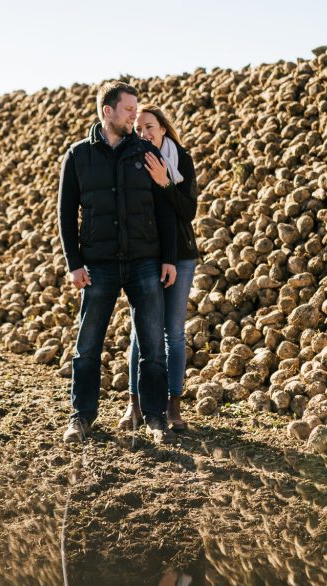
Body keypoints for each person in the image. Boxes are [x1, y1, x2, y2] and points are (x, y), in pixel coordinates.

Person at [58, 82, 178, 445]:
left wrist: (169, 258)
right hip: (99, 265)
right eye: (129, 109)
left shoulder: (146, 152)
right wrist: (74, 262)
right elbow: (65, 213)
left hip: (145, 261)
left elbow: (165, 208)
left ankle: (155, 419)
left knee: (153, 345)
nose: (134, 115)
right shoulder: (78, 156)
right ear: (107, 111)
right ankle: (82, 418)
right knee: (88, 346)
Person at [118, 105, 199, 433]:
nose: (144, 134)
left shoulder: (182, 159)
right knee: (141, 330)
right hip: (147, 255)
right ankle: (134, 405)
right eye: (138, 129)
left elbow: (188, 212)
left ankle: (173, 406)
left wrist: (165, 183)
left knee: (174, 333)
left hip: (180, 253)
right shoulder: (134, 159)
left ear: (163, 128)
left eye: (149, 127)